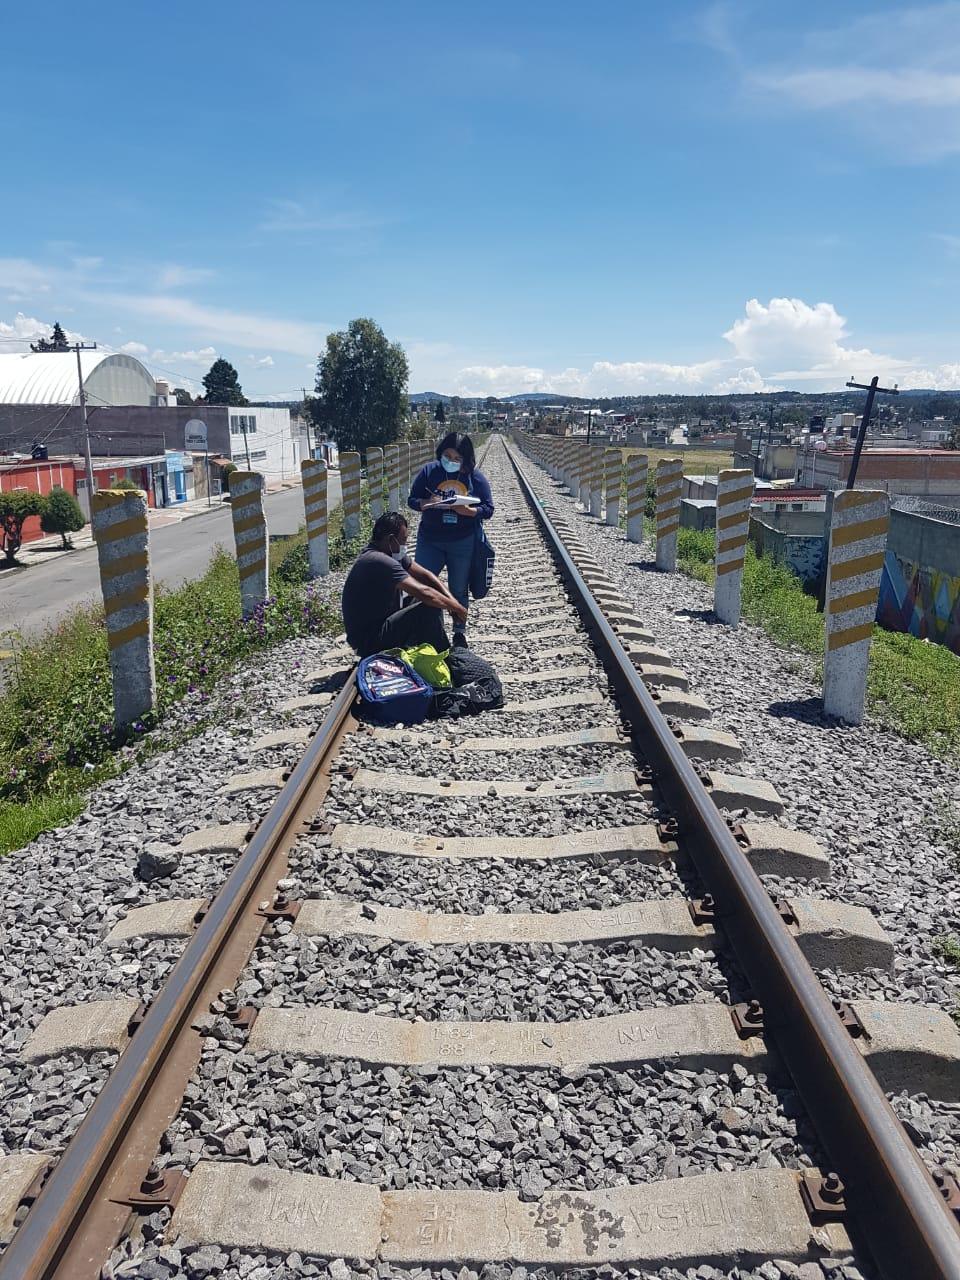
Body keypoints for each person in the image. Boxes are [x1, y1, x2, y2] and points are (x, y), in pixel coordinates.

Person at [407, 431, 494, 647]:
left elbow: (488, 508)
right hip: (430, 538)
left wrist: (470, 512)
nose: (451, 462)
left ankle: (459, 632)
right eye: (447, 456)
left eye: (457, 458)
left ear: (466, 459)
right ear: (440, 453)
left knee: (458, 587)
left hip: (462, 541)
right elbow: (412, 499)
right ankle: (425, 630)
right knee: (422, 585)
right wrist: (423, 504)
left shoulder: (475, 477)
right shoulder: (430, 471)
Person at [341, 511, 467, 658]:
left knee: (430, 599)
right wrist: (457, 608)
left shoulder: (388, 553)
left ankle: (433, 650)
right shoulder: (378, 560)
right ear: (391, 540)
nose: (405, 545)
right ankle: (447, 658)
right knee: (429, 606)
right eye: (403, 540)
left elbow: (426, 576)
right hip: (368, 642)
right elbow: (425, 592)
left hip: (381, 625)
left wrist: (451, 601)